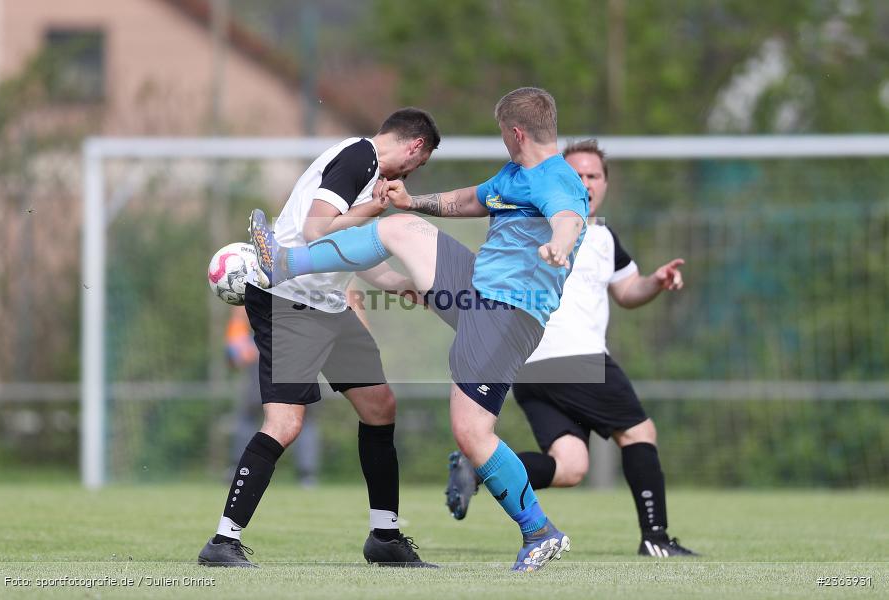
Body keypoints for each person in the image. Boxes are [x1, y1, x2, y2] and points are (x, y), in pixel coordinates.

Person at [251, 87, 589, 572]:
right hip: (478, 293)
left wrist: (559, 244)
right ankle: (285, 264)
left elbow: (569, 217)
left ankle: (539, 531)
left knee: (473, 433)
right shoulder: (516, 175)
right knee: (400, 227)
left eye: (502, 135)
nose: (503, 142)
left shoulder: (556, 178)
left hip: (507, 315)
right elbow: (470, 199)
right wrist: (412, 200)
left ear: (516, 131)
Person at [198, 108, 441, 568]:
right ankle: (222, 542)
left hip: (330, 304)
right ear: (414, 147)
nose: (412, 173)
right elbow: (315, 230)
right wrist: (373, 212)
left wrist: (409, 288)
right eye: (419, 162)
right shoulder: (360, 157)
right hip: (289, 301)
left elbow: (349, 252)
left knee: (379, 406)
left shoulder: (364, 173)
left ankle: (385, 537)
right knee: (286, 424)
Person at [444, 139, 698, 558]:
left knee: (570, 464)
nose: (584, 182)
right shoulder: (547, 220)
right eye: (575, 174)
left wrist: (655, 280)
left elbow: (628, 292)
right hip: (573, 358)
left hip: (527, 366)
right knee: (639, 432)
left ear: (606, 183)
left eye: (593, 175)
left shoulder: (603, 236)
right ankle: (656, 537)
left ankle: (476, 469)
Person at [223, 307, 320, 488]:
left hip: (280, 346)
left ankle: (239, 468)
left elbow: (239, 313)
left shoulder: (255, 281)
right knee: (256, 412)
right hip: (287, 347)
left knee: (254, 414)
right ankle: (306, 476)